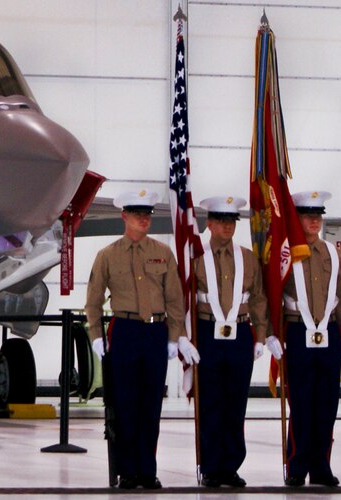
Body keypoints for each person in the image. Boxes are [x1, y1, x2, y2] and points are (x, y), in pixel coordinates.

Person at [86, 188, 199, 490]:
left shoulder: (162, 253)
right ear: (124, 216)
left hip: (154, 333)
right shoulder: (107, 255)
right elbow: (93, 301)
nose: (144, 219)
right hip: (125, 331)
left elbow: (175, 299)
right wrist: (96, 335)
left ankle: (147, 470)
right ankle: (127, 471)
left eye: (147, 214)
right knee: (124, 405)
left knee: (150, 405)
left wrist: (175, 336)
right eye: (138, 214)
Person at [193, 196, 272, 488]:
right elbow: (184, 296)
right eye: (222, 221)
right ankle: (211, 466)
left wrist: (261, 335)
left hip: (239, 334)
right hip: (206, 333)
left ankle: (231, 466)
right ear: (210, 223)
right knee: (210, 402)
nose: (227, 226)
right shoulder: (195, 254)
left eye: (232, 222)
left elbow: (259, 298)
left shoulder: (247, 258)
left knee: (235, 403)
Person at [279, 191, 341, 487]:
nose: (314, 220)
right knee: (300, 401)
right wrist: (273, 333)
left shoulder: (335, 254)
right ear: (296, 218)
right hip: (298, 331)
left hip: (329, 333)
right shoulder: (285, 253)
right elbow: (271, 295)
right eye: (308, 215)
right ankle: (297, 464)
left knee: (326, 402)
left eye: (317, 215)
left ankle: (321, 464)